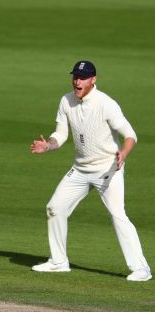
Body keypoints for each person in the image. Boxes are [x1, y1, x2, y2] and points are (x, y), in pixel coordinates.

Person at [30, 60, 150, 281]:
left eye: (83, 77)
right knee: (54, 208)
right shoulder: (66, 101)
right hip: (81, 169)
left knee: (117, 214)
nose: (78, 81)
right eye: (75, 76)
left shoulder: (106, 103)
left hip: (108, 169)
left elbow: (131, 135)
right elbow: (61, 133)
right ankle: (58, 262)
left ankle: (141, 268)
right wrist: (48, 145)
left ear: (93, 79)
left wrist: (123, 154)